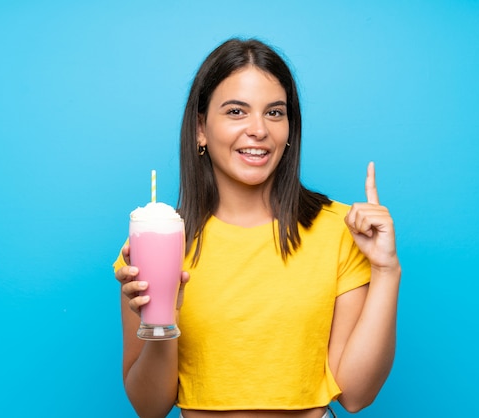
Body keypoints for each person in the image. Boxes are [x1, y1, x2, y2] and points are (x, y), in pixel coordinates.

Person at [113, 38, 401, 418]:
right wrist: (166, 319)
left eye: (275, 113)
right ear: (200, 128)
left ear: (289, 128)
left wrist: (386, 270)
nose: (258, 130)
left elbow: (355, 395)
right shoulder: (156, 242)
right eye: (236, 111)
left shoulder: (340, 230)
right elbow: (149, 407)